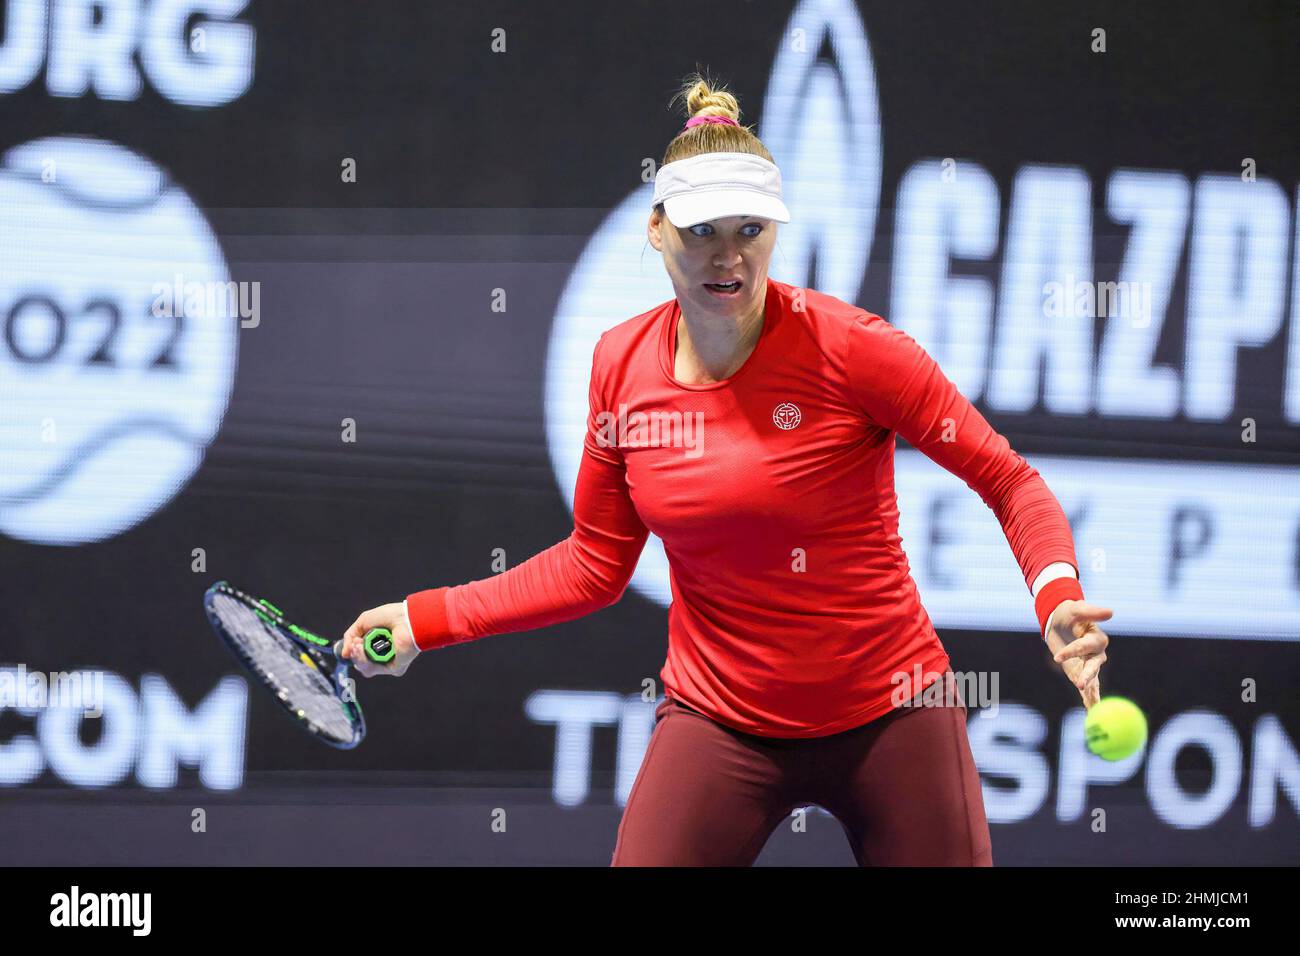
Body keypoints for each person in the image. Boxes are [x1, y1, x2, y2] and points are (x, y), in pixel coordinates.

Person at [340, 73, 1112, 866]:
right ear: (655, 229)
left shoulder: (856, 350)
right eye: (702, 229)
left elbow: (1010, 480)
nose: (729, 256)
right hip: (717, 721)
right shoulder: (619, 364)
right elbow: (595, 565)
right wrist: (424, 618)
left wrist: (1056, 593)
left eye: (751, 229)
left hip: (893, 711)